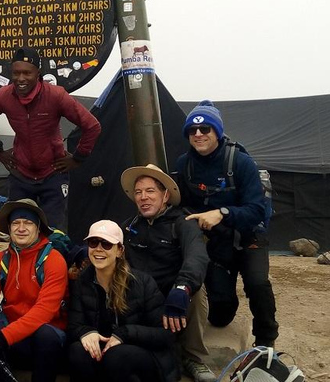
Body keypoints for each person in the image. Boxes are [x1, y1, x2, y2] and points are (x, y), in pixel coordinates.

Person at [176, 100, 279, 350]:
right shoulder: (184, 165)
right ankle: (224, 305)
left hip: (249, 236)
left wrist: (221, 212)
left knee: (257, 284)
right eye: (192, 131)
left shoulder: (241, 162)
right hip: (217, 241)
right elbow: (183, 205)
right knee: (220, 316)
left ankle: (266, 343)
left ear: (217, 132)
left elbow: (255, 210)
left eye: (205, 129)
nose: (198, 135)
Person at [0, 47, 101, 229]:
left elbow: (92, 125)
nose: (20, 79)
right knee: (20, 231)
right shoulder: (4, 96)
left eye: (27, 73)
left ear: (38, 73)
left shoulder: (56, 95)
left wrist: (78, 158)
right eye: (16, 73)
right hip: (21, 173)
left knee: (53, 233)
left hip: (53, 173)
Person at [119, 164, 213, 382]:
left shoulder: (183, 223)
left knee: (196, 294)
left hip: (174, 296)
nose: (144, 197)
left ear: (165, 195)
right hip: (141, 299)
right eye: (138, 192)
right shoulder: (128, 227)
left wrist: (182, 287)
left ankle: (193, 357)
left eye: (150, 191)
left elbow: (197, 256)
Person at [68, 219, 177, 382]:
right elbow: (73, 324)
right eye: (93, 242)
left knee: (117, 356)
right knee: (78, 350)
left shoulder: (142, 282)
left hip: (141, 356)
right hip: (104, 353)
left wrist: (125, 333)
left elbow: (165, 334)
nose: (98, 249)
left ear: (119, 250)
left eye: (106, 244)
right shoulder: (82, 282)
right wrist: (85, 332)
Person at [0, 198, 68, 382]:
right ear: (9, 228)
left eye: (28, 223)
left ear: (38, 228)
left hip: (46, 334)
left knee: (46, 335)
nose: (21, 228)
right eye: (16, 223)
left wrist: (3, 338)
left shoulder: (54, 260)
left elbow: (44, 312)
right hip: (14, 331)